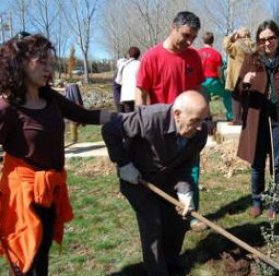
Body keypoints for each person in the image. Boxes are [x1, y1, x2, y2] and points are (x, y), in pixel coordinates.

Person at [0, 32, 112, 275]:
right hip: (22, 197)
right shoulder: (7, 108)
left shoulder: (50, 99)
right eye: (41, 62)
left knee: (41, 258)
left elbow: (85, 115)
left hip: (50, 191)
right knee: (24, 260)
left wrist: (126, 117)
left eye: (50, 63)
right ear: (19, 63)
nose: (48, 68)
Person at [102, 91, 209, 276]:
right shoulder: (149, 118)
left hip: (166, 180)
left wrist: (185, 192)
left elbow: (184, 165)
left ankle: (170, 264)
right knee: (153, 225)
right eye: (195, 120)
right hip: (136, 179)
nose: (200, 127)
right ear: (177, 114)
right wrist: (124, 163)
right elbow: (109, 129)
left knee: (177, 222)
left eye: (203, 120)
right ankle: (157, 272)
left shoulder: (199, 134)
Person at [136, 11, 207, 231]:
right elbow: (142, 92)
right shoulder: (152, 57)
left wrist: (204, 116)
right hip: (162, 130)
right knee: (164, 175)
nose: (189, 42)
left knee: (190, 171)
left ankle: (191, 213)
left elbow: (198, 88)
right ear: (173, 27)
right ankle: (164, 216)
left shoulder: (193, 57)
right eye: (186, 35)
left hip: (188, 126)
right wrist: (143, 125)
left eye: (193, 38)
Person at [234, 20, 279, 218]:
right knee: (257, 163)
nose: (266, 43)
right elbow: (238, 92)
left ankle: (275, 203)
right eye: (262, 39)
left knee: (277, 163)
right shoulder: (251, 60)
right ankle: (257, 200)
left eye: (270, 38)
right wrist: (245, 82)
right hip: (257, 119)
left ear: (278, 38)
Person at [223, 27, 255, 124]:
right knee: (247, 97)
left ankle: (236, 119)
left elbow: (226, 45)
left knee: (236, 97)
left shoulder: (237, 45)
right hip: (249, 75)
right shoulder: (252, 44)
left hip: (237, 75)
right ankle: (246, 118)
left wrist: (231, 36)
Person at [198, 31, 233, 121]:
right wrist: (222, 81)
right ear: (212, 41)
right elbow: (219, 71)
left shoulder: (197, 53)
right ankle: (230, 116)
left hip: (201, 81)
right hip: (213, 81)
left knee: (204, 98)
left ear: (203, 41)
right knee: (227, 94)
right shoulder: (216, 54)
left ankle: (206, 117)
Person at [119, 46, 140, 113]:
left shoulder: (123, 66)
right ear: (138, 55)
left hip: (126, 96)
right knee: (138, 117)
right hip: (137, 95)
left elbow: (119, 81)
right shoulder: (140, 64)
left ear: (129, 54)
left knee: (129, 118)